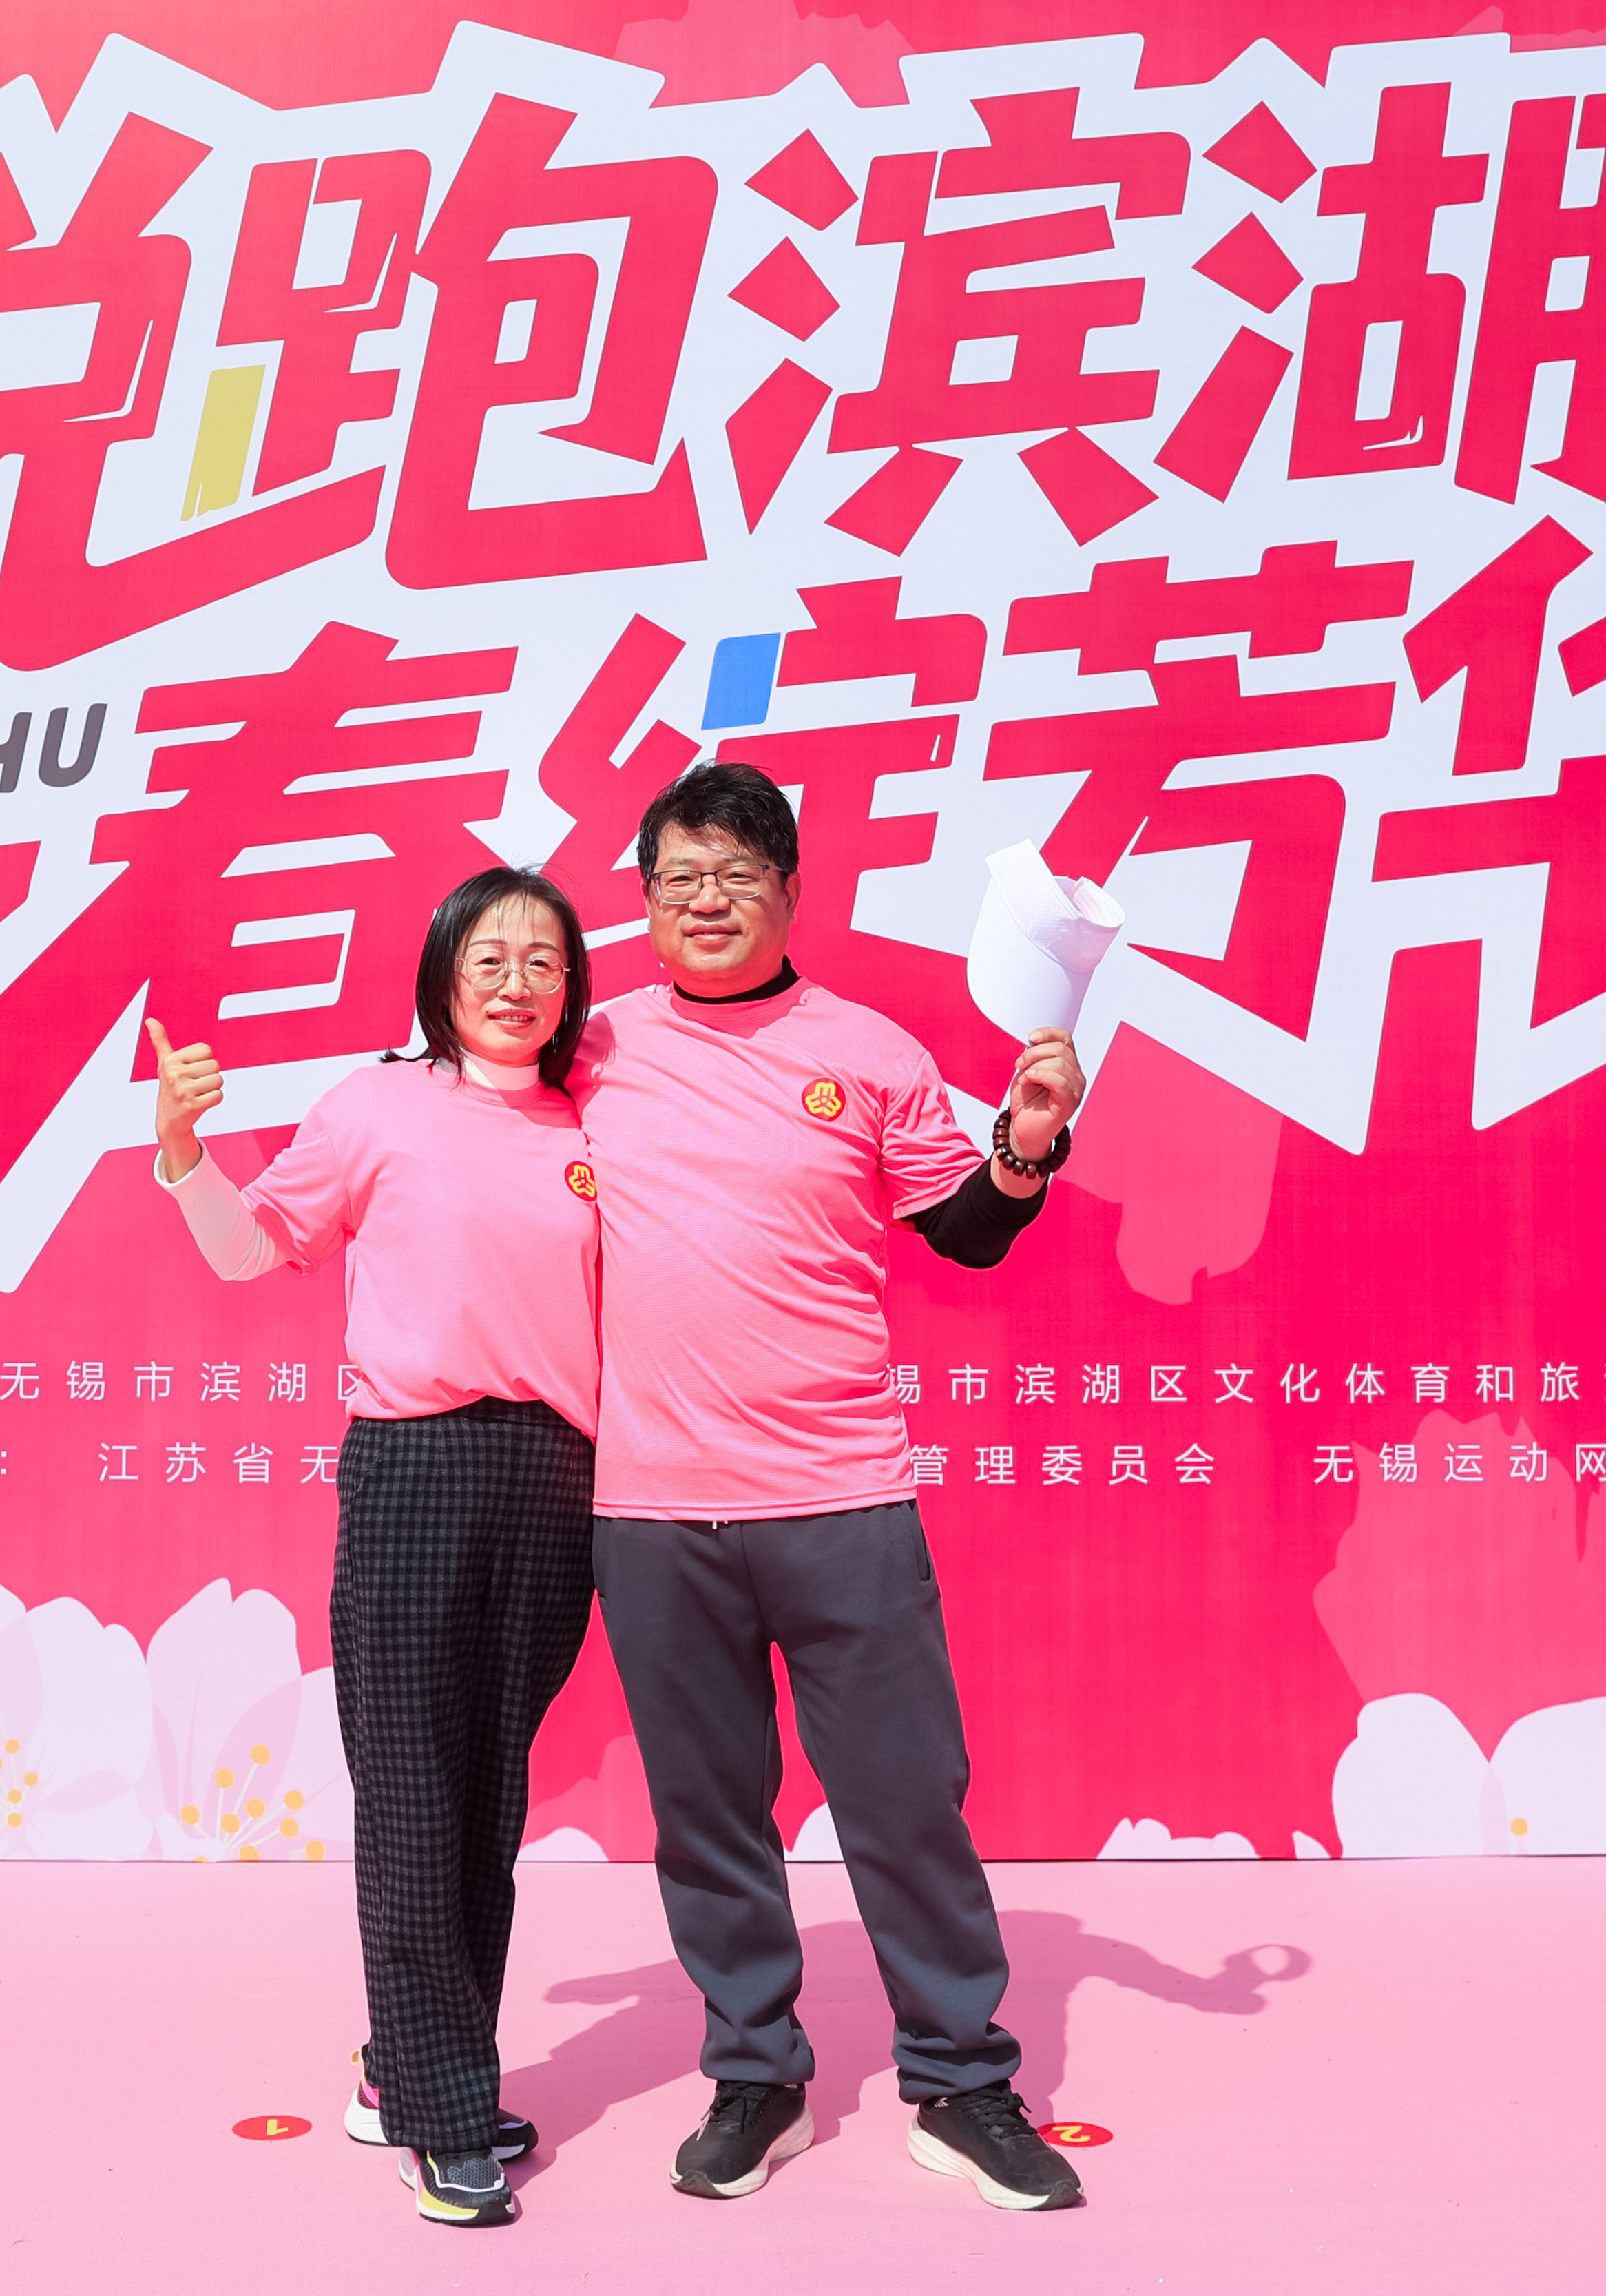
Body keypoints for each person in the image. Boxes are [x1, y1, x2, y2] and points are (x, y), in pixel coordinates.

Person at [572, 761, 1091, 2212]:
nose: (707, 900)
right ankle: (756, 2072)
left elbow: (965, 1230)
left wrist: (1025, 1143)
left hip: (839, 1493)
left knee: (906, 1798)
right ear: (647, 898)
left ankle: (962, 2079)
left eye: (736, 874)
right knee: (707, 1814)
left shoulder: (867, 1050)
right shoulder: (589, 1047)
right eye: (679, 877)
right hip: (653, 1507)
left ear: (790, 890)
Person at [149, 866, 601, 2231]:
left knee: (488, 1806)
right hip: (415, 1466)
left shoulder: (592, 1119)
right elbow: (251, 1250)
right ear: (443, 968)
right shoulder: (376, 1104)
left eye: (544, 959)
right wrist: (183, 1150)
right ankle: (444, 2112)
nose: (517, 980)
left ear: (573, 987)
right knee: (413, 1796)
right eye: (491, 954)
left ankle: (405, 2064)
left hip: (557, 1476)